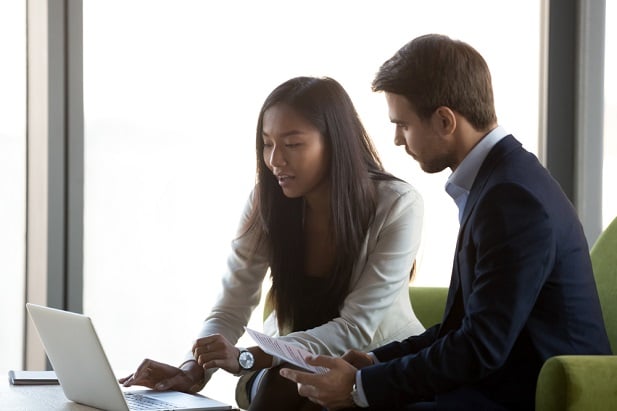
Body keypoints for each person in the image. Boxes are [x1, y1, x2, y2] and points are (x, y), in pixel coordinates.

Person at [280, 34, 612, 410]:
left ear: (443, 121)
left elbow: (481, 346)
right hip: (496, 383)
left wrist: (359, 386)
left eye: (402, 124)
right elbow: (464, 326)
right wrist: (374, 362)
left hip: (525, 395)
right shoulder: (497, 181)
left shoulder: (512, 199)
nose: (396, 140)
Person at [120, 76, 425, 410]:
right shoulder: (266, 201)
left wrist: (251, 358)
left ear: (335, 143)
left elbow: (356, 328)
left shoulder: (397, 204)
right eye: (267, 143)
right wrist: (192, 368)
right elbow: (230, 308)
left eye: (292, 144)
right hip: (280, 375)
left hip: (372, 371)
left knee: (288, 384)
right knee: (286, 382)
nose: (275, 160)